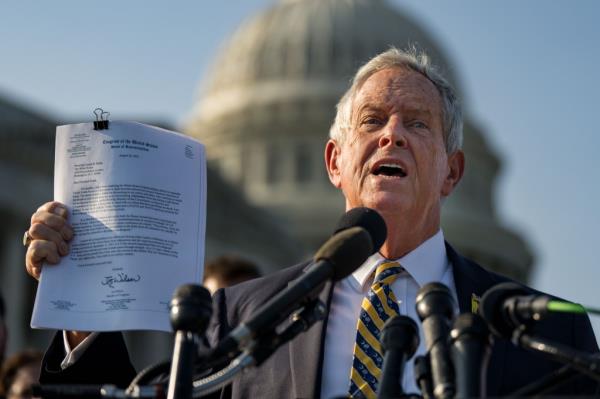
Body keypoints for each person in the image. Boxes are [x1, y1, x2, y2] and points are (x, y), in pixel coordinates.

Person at [24, 47, 598, 397]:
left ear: (452, 173)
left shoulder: (550, 333)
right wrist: (85, 303)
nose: (391, 133)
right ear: (333, 162)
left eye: (417, 124)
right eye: (372, 120)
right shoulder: (238, 319)